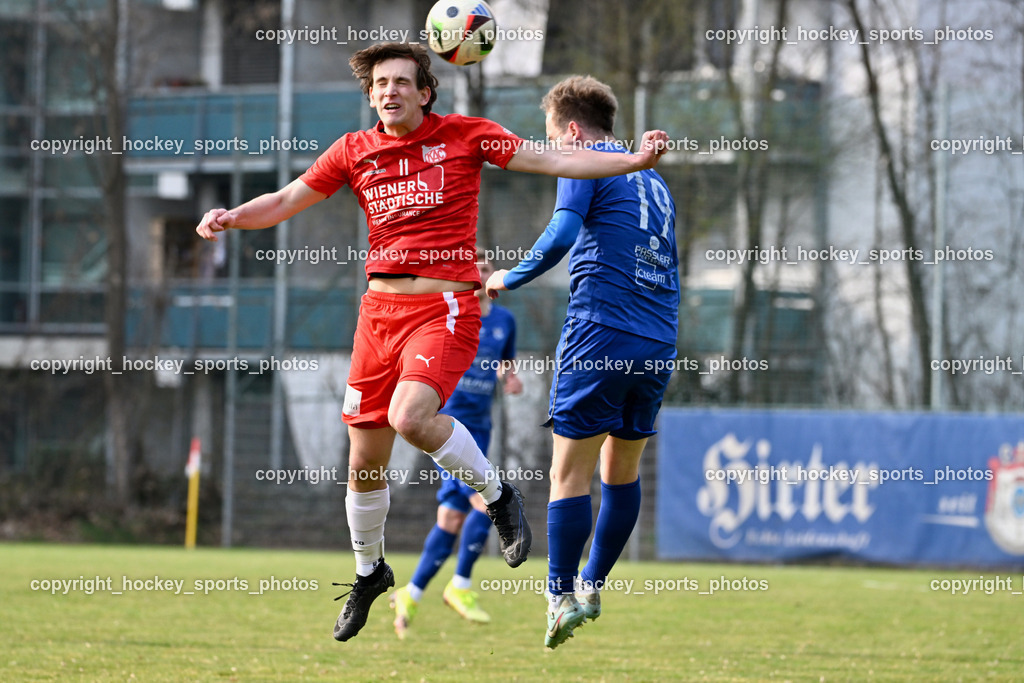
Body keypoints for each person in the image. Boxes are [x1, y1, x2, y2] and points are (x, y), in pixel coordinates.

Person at [195, 42, 669, 644]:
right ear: (371, 95)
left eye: (402, 82)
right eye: (380, 83)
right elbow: (288, 200)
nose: (388, 90)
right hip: (378, 313)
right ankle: (370, 574)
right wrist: (233, 215)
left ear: (425, 93)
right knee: (364, 461)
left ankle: (497, 494)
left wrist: (631, 162)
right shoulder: (353, 150)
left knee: (410, 417)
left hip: (443, 307)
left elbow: (552, 161)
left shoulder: (468, 136)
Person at [485, 75, 680, 649]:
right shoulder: (654, 180)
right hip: (658, 339)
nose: (551, 150)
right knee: (621, 472)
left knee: (568, 473)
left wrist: (507, 276)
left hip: (601, 332)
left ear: (571, 130)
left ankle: (558, 596)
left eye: (550, 138)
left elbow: (563, 230)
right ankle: (592, 585)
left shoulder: (586, 159)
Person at [389, 252, 521, 638]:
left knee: (450, 518)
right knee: (486, 498)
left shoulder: (504, 320)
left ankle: (411, 594)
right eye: (474, 268)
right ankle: (460, 585)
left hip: (482, 426)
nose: (479, 274)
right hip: (445, 428)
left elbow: (505, 364)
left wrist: (510, 380)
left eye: (485, 268)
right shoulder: (447, 314)